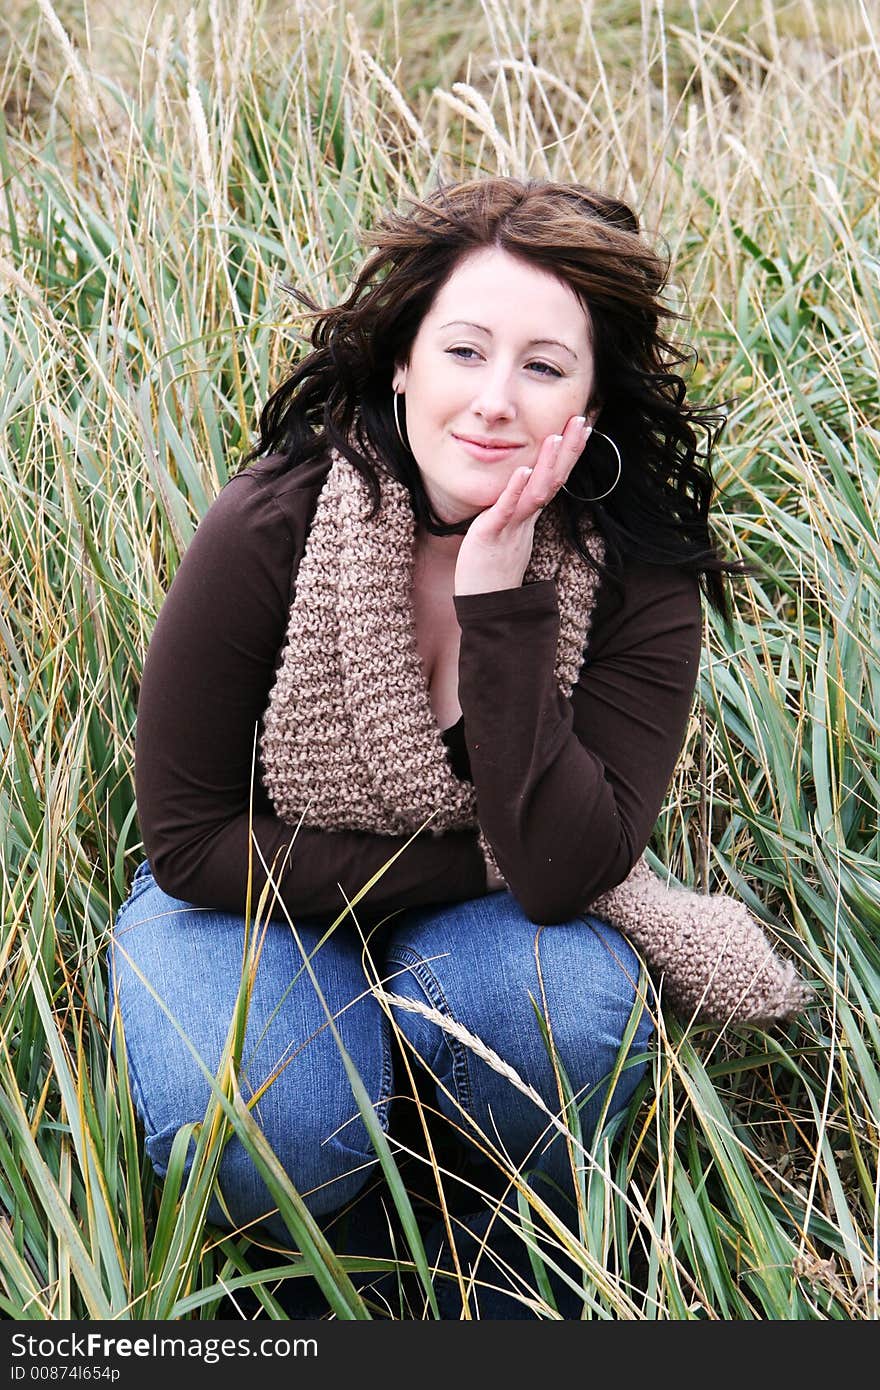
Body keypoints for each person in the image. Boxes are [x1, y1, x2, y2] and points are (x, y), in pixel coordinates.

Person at [108, 178, 809, 1318]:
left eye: (542, 366)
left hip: (499, 912)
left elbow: (564, 870)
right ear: (402, 362)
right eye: (465, 350)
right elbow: (187, 843)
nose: (493, 401)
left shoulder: (637, 570)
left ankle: (495, 1246)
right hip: (243, 891)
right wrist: (471, 863)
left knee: (564, 1015)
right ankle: (334, 1260)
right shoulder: (275, 519)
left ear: (592, 398)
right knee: (267, 1126)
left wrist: (500, 603)